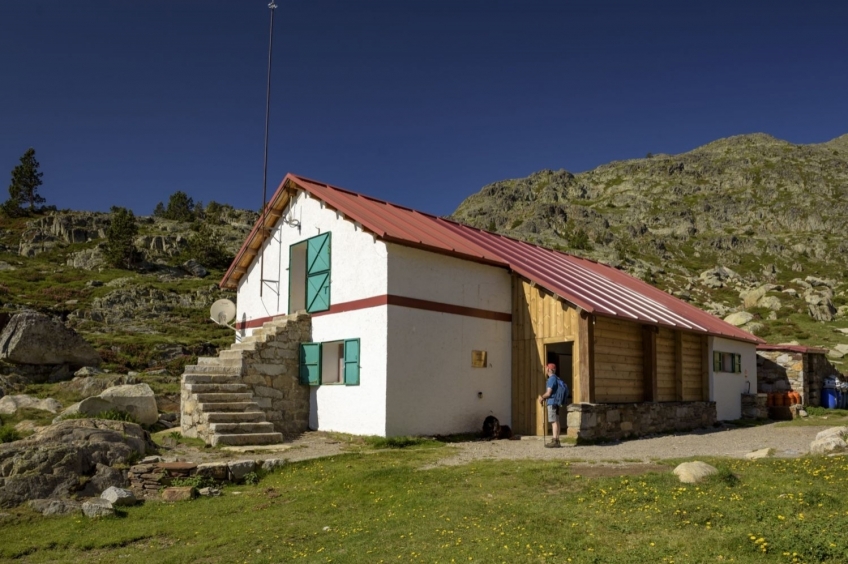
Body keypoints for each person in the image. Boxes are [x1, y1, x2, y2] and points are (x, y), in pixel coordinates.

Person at [539, 363, 563, 448]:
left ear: (549, 369)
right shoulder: (556, 378)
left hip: (552, 402)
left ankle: (554, 441)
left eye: (546, 368)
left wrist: (542, 397)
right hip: (556, 403)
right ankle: (557, 440)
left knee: (553, 422)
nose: (545, 370)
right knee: (556, 421)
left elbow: (548, 393)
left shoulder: (551, 379)